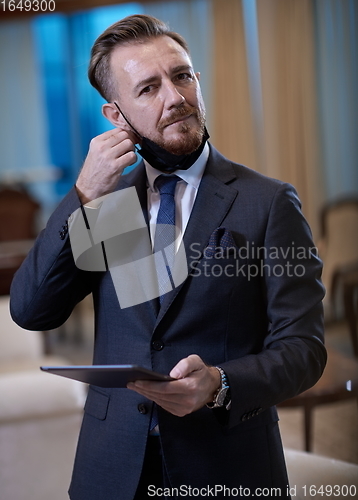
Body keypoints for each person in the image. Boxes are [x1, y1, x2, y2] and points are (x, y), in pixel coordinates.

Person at [10, 14, 326, 500]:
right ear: (116, 116)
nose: (176, 98)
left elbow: (304, 349)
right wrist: (81, 197)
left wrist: (219, 383)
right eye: (148, 88)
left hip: (227, 467)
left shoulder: (268, 203)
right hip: (111, 470)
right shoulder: (108, 207)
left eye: (182, 76)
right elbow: (32, 311)